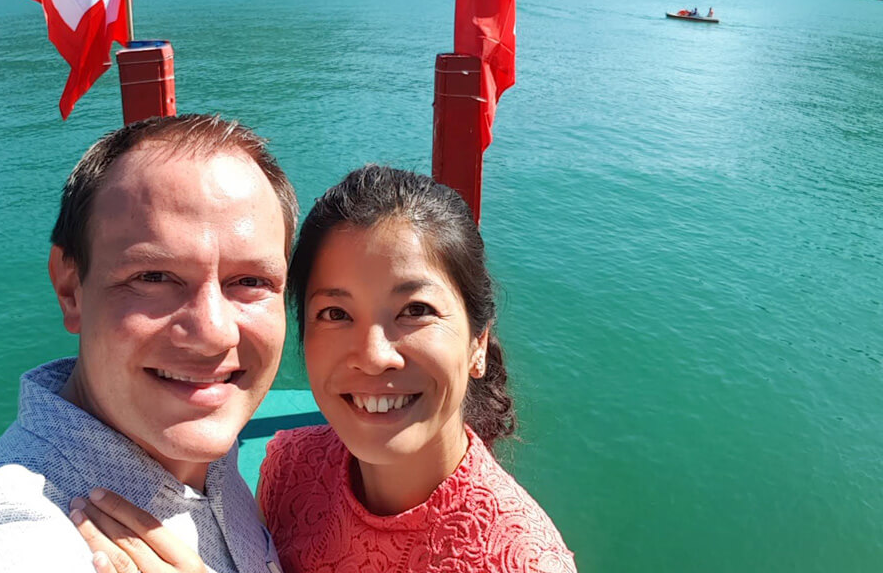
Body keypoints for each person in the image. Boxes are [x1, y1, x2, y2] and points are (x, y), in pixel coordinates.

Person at [73, 166, 575, 572]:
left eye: (415, 310)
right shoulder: (294, 467)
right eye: (335, 314)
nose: (374, 354)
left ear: (478, 343)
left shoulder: (520, 560)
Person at [0, 114, 299, 573]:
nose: (214, 333)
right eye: (153, 277)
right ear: (70, 288)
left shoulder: (202, 437)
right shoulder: (6, 536)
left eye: (251, 280)